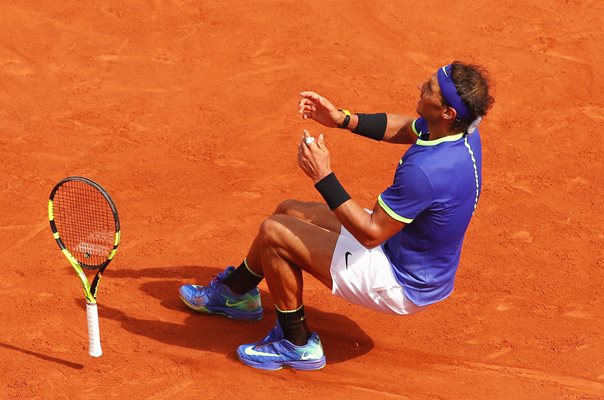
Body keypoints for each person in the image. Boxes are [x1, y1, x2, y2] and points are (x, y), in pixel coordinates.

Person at [179, 61, 494, 371]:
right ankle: (237, 295)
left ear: (447, 112)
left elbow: (370, 233)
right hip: (407, 250)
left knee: (274, 233)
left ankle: (297, 344)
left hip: (400, 281)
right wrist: (342, 119)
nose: (420, 88)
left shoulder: (426, 172)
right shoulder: (459, 131)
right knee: (288, 210)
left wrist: (323, 175)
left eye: (429, 89)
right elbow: (406, 127)